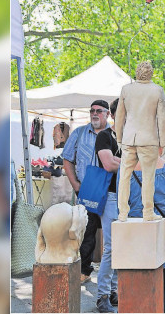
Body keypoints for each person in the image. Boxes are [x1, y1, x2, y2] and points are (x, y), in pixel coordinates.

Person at [121, 147, 165, 313]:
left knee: (137, 290)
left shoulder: (126, 172)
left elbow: (121, 208)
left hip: (135, 238)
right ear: (161, 146)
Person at [115, 61, 165, 222]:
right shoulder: (157, 91)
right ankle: (148, 211)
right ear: (151, 73)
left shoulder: (126, 89)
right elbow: (162, 119)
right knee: (148, 177)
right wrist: (163, 141)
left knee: (124, 176)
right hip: (149, 139)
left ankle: (122, 213)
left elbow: (119, 116)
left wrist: (119, 137)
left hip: (129, 139)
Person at [62, 99, 109, 284]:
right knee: (86, 231)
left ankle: (113, 276)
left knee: (111, 230)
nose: (94, 114)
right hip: (86, 189)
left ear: (107, 114)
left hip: (109, 189)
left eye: (99, 111)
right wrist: (75, 184)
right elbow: (67, 159)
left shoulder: (114, 134)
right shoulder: (79, 133)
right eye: (92, 111)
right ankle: (85, 270)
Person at [95, 98, 122, 313]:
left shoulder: (131, 138)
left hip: (130, 198)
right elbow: (108, 163)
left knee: (121, 247)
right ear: (113, 115)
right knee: (111, 247)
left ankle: (113, 291)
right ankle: (102, 295)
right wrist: (133, 163)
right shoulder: (105, 136)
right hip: (111, 195)